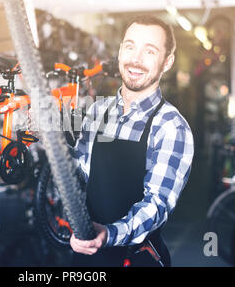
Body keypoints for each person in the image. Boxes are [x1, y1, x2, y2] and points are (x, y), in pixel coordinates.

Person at [69, 15, 194, 267]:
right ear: (119, 53)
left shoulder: (170, 126)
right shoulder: (98, 112)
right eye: (130, 46)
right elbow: (80, 175)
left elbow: (157, 205)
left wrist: (108, 234)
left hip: (137, 258)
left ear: (167, 62)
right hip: (87, 254)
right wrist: (48, 148)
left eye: (149, 51)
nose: (136, 59)